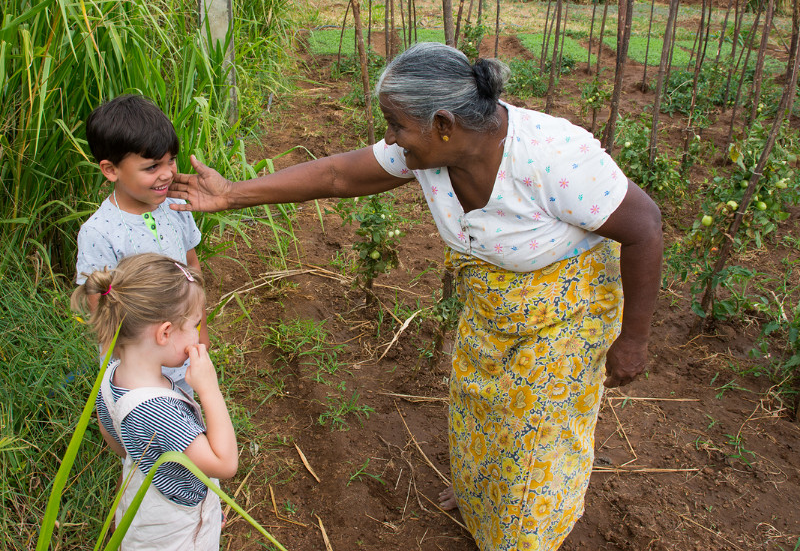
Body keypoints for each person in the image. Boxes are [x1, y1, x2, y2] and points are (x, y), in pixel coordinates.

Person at [168, 42, 663, 551]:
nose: (389, 137)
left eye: (396, 125)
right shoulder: (430, 152)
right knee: (481, 409)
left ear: (444, 124)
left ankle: (524, 534)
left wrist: (634, 341)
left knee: (537, 442)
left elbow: (644, 227)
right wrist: (231, 193)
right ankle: (486, 501)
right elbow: (337, 175)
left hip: (567, 313)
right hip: (492, 307)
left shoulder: (555, 158)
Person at [72, 253, 237, 550]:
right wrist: (209, 388)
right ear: (165, 333)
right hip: (178, 529)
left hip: (143, 498)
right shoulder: (162, 412)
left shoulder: (110, 376)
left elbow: (115, 440)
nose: (198, 337)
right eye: (195, 326)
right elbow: (224, 464)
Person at [75, 94, 209, 394]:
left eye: (171, 160)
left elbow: (193, 268)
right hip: (136, 367)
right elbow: (101, 306)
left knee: (183, 421)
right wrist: (125, 368)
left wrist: (201, 331)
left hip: (182, 352)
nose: (167, 174)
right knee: (142, 431)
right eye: (151, 167)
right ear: (111, 170)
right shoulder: (100, 232)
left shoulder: (175, 207)